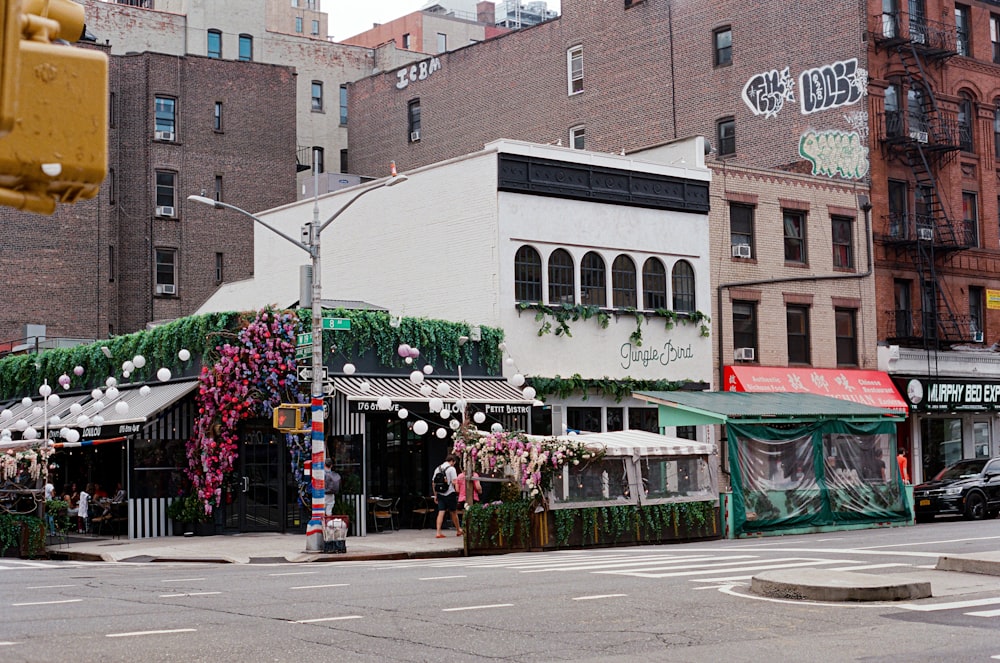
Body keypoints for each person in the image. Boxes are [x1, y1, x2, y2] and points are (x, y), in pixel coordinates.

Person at [433, 454, 463, 538]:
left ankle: (438, 532)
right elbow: (454, 481)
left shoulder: (437, 468)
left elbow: (433, 483)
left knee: (441, 511)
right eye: (454, 463)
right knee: (453, 512)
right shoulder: (451, 469)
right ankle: (458, 530)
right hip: (450, 493)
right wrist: (457, 491)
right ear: (452, 461)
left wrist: (435, 495)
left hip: (440, 493)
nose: (454, 464)